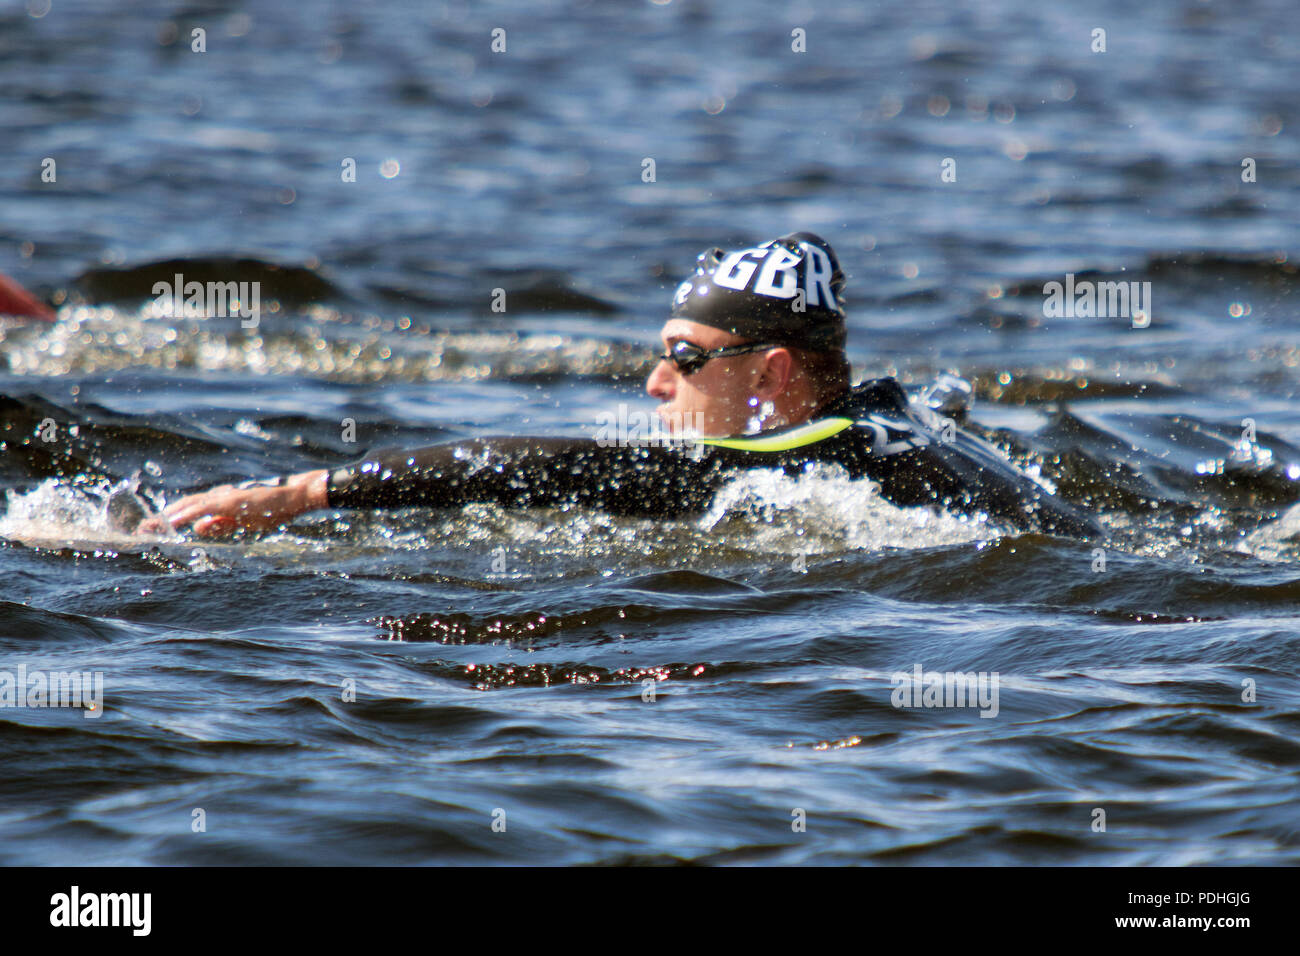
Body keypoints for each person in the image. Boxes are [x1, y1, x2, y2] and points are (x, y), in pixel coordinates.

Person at [135, 233, 1101, 539]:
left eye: (685, 358)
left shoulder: (816, 451)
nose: (653, 383)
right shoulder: (891, 417)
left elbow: (569, 467)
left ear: (772, 373)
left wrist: (305, 492)